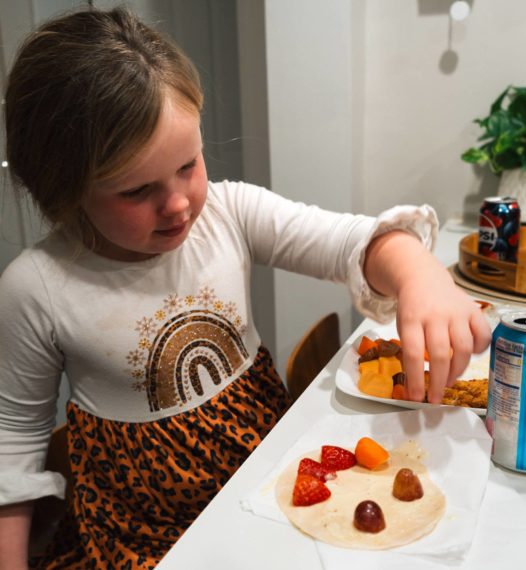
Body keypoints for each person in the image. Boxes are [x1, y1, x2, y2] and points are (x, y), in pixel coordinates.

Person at [0, 7, 490, 570]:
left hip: (273, 493)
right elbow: (13, 450)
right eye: (136, 192)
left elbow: (348, 243)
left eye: (189, 164)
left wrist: (418, 272)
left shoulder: (231, 212)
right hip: (145, 542)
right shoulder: (35, 289)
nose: (179, 203)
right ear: (64, 187)